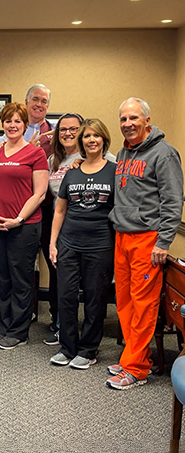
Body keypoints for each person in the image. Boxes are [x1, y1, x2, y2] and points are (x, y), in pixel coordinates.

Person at [106, 97, 183, 390]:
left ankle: (136, 369)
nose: (128, 124)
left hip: (148, 240)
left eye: (133, 118)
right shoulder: (124, 153)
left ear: (147, 121)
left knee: (144, 304)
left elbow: (173, 201)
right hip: (123, 237)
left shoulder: (164, 154)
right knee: (124, 302)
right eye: (123, 119)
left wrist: (164, 242)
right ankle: (132, 356)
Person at [49, 119, 116, 369]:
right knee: (65, 296)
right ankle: (67, 348)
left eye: (96, 136)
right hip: (68, 243)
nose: (91, 140)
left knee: (94, 298)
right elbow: (60, 211)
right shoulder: (72, 172)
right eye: (87, 136)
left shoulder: (114, 170)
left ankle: (88, 350)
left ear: (103, 140)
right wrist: (53, 243)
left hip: (100, 245)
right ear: (81, 142)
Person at [0, 102, 48, 349]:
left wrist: (18, 219)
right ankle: (3, 327)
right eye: (8, 121)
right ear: (3, 125)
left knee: (21, 279)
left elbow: (39, 193)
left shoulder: (35, 154)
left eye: (18, 121)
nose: (12, 125)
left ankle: (19, 332)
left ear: (25, 125)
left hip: (24, 226)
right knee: (2, 278)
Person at [42, 113, 84, 345]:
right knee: (58, 276)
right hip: (58, 225)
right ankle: (59, 324)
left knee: (85, 280)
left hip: (85, 226)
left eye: (74, 129)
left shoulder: (96, 155)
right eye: (63, 129)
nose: (68, 133)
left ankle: (86, 332)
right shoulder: (52, 161)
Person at [0, 84, 56, 156]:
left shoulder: (56, 128)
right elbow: (2, 160)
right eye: (35, 99)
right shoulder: (13, 131)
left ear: (47, 105)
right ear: (26, 102)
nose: (39, 104)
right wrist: (28, 149)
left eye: (44, 101)